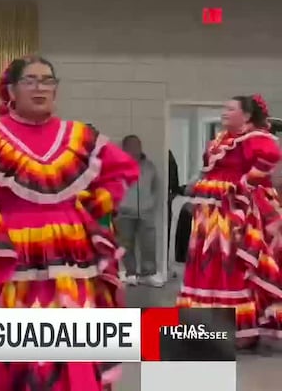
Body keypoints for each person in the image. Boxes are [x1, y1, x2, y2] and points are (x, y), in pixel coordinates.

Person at [0, 56, 139, 390]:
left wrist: (92, 207)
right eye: (31, 80)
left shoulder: (78, 136)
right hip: (5, 250)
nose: (40, 87)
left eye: (48, 80)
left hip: (68, 256)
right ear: (11, 90)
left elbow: (123, 170)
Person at [177, 94, 282, 349]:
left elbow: (269, 159)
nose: (224, 112)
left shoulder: (255, 138)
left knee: (230, 263)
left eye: (230, 109)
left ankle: (235, 329)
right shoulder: (223, 139)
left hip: (233, 211)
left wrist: (244, 186)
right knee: (207, 263)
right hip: (210, 213)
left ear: (245, 116)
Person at [116, 135, 163, 287]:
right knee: (125, 243)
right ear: (124, 148)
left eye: (137, 145)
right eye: (130, 146)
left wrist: (151, 203)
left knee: (148, 244)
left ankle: (148, 274)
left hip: (145, 212)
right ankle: (130, 273)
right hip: (124, 212)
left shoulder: (149, 166)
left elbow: (156, 187)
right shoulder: (117, 166)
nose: (134, 149)